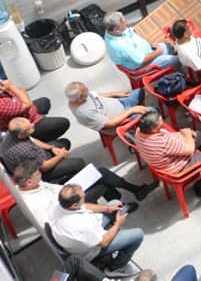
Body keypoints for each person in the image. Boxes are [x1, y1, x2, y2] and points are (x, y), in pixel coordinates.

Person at [12, 158, 156, 223]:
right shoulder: (34, 204)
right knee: (102, 184)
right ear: (29, 181)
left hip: (65, 191)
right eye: (37, 174)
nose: (40, 175)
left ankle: (126, 197)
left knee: (99, 172)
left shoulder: (32, 183)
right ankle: (119, 205)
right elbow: (50, 222)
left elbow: (54, 188)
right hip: (68, 206)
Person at [48, 184, 144, 276]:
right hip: (92, 250)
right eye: (83, 196)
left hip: (91, 229)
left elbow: (84, 206)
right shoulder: (80, 226)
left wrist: (107, 208)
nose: (85, 194)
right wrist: (118, 224)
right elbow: (103, 242)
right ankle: (115, 268)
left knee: (116, 203)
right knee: (138, 234)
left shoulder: (59, 203)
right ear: (75, 205)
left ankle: (117, 222)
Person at [135, 111, 201, 187]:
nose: (162, 123)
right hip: (179, 167)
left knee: (199, 135)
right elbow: (189, 149)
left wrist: (183, 135)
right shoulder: (161, 142)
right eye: (160, 122)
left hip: (165, 162)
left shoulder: (139, 132)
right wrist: (187, 133)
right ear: (153, 129)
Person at [0, 116, 83, 183]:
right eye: (29, 128)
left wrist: (52, 148)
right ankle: (56, 180)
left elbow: (32, 140)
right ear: (21, 135)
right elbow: (44, 167)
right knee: (78, 163)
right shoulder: (24, 150)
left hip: (37, 156)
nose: (33, 125)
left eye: (30, 123)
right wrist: (61, 155)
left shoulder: (11, 133)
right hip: (36, 172)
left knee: (64, 143)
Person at [103, 11, 180, 72]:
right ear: (116, 29)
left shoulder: (111, 31)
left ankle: (171, 67)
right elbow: (142, 60)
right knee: (175, 60)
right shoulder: (120, 46)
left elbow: (132, 33)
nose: (126, 24)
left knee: (169, 47)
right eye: (124, 24)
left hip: (146, 52)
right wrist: (157, 52)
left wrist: (150, 45)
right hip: (142, 65)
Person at [64, 81, 149, 134]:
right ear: (80, 99)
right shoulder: (85, 113)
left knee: (142, 92)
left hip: (120, 103)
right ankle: (140, 128)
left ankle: (140, 122)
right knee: (151, 113)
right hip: (122, 119)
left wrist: (114, 94)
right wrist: (131, 111)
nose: (88, 92)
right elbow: (110, 124)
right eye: (86, 93)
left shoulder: (79, 97)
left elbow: (95, 96)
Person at [0, 78, 70, 141]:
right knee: (63, 123)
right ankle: (36, 139)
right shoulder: (1, 106)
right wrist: (11, 86)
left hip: (23, 113)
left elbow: (21, 91)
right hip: (23, 126)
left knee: (44, 101)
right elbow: (27, 104)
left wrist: (13, 89)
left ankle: (43, 126)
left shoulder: (3, 92)